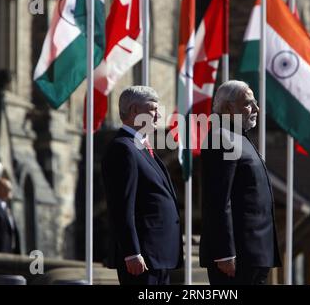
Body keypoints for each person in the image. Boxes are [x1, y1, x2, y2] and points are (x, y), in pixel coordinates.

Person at [200, 80, 282, 285]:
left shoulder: (241, 138)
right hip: (236, 258)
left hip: (254, 254)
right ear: (228, 108)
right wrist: (224, 253)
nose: (256, 108)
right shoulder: (221, 138)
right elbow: (218, 200)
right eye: (248, 103)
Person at [101, 86, 182, 285]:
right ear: (135, 111)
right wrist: (131, 252)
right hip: (142, 258)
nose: (158, 115)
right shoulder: (123, 148)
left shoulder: (141, 147)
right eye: (153, 109)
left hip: (158, 255)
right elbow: (122, 206)